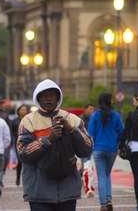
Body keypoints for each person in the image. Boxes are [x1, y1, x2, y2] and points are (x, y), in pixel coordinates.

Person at [17, 79, 92, 211]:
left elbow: (87, 149)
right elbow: (23, 153)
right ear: (38, 98)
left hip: (67, 190)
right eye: (44, 96)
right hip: (39, 192)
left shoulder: (72, 119)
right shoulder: (28, 121)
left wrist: (71, 130)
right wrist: (48, 140)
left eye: (52, 95)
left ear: (58, 97)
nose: (48, 99)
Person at [88, 93, 124, 211]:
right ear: (110, 101)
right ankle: (108, 199)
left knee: (101, 176)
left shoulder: (95, 116)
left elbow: (90, 133)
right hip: (112, 149)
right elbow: (122, 132)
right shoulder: (116, 116)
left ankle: (103, 204)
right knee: (107, 174)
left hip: (98, 149)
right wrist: (117, 142)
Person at [11, 104, 30, 186]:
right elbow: (11, 132)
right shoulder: (14, 121)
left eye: (25, 109)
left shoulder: (29, 120)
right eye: (21, 110)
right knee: (20, 161)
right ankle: (18, 177)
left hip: (29, 142)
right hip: (18, 143)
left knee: (27, 161)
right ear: (18, 111)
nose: (23, 111)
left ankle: (27, 179)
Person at [80, 103, 96, 198]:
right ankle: (86, 185)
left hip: (90, 144)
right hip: (81, 144)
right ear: (85, 109)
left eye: (93, 109)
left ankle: (86, 183)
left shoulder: (93, 119)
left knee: (86, 163)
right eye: (90, 109)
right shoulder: (80, 119)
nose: (92, 111)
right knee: (85, 164)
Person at [0, 97, 12, 173]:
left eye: (1, 103)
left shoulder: (5, 114)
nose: (0, 105)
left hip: (3, 140)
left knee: (6, 158)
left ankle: (1, 172)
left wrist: (10, 141)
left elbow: (9, 129)